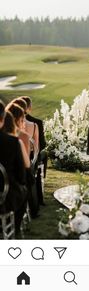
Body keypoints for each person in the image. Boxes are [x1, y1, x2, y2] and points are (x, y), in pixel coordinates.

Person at [0, 100, 27, 234]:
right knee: (22, 190)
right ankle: (15, 229)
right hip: (5, 197)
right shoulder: (12, 142)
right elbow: (21, 176)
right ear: (2, 119)